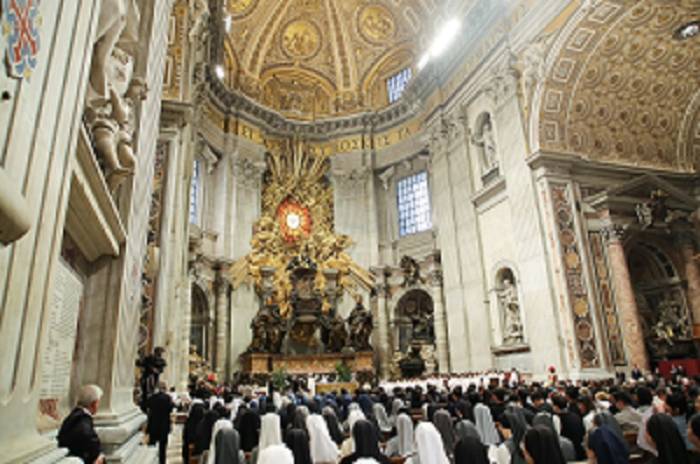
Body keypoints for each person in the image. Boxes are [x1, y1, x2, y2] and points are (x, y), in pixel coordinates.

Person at [57, 384, 105, 464]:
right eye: (98, 402)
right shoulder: (82, 419)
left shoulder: (74, 416)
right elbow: (86, 436)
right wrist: (98, 455)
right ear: (94, 404)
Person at [146, 381, 174, 464]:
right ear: (164, 388)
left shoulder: (152, 397)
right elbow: (171, 408)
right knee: (163, 447)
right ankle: (162, 461)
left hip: (153, 424)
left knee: (152, 445)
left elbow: (147, 406)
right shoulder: (168, 398)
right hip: (164, 425)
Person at [552, 395, 585, 460]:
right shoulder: (575, 415)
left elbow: (558, 436)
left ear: (556, 407)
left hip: (567, 451)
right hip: (580, 450)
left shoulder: (557, 418)